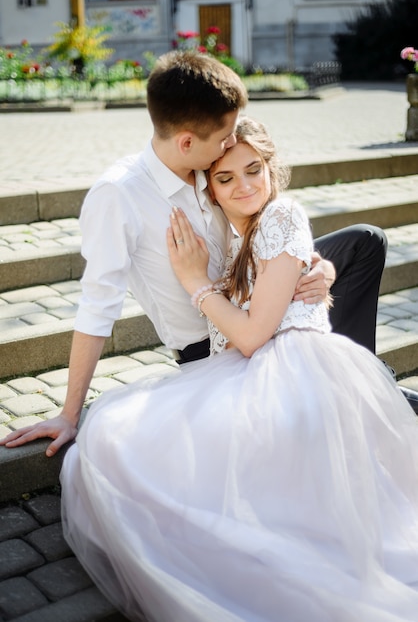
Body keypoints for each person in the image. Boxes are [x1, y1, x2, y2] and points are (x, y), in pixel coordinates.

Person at [59, 115, 418, 622]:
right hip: (251, 363)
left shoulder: (279, 216)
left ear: (271, 169)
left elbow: (250, 335)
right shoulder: (236, 232)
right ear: (209, 190)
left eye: (254, 170)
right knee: (118, 438)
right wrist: (314, 264)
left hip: (282, 365)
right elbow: (266, 285)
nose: (244, 185)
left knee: (123, 443)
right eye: (226, 178)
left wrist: (194, 280)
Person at [0, 50, 414, 460]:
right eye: (225, 136)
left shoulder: (206, 162)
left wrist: (315, 266)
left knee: (363, 241)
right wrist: (69, 414)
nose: (231, 142)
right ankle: (357, 396)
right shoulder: (119, 196)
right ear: (186, 142)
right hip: (214, 345)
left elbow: (265, 229)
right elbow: (96, 306)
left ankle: (363, 386)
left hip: (254, 296)